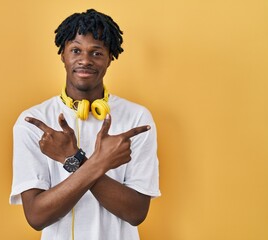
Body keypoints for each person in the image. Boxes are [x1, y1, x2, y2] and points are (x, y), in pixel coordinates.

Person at [10, 9, 161, 240]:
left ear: (110, 57)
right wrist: (98, 163)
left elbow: (136, 212)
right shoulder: (33, 122)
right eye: (76, 50)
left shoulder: (137, 118)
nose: (85, 60)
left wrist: (71, 159)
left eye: (97, 52)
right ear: (62, 54)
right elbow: (37, 216)